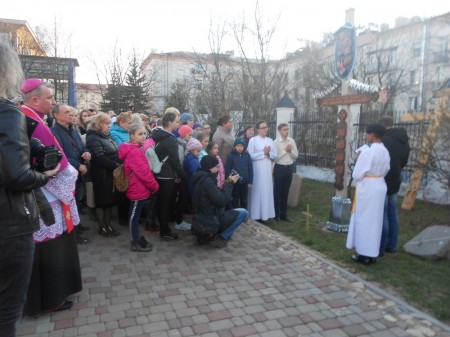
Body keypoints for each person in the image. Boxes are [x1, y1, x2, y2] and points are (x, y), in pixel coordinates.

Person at [0, 41, 55, 337]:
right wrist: (45, 175)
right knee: (7, 310)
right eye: (48, 97)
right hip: (8, 224)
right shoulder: (8, 113)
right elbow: (16, 175)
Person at [20, 78, 82, 316]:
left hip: (42, 189)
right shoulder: (32, 122)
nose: (53, 102)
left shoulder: (30, 118)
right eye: (49, 98)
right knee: (48, 246)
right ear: (34, 100)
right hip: (43, 193)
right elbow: (54, 161)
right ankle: (48, 298)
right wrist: (69, 175)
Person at [346, 124, 390, 265]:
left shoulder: (369, 152)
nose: (367, 136)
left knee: (364, 220)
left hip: (368, 187)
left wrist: (360, 159)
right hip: (380, 185)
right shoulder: (385, 151)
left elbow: (357, 174)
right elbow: (387, 168)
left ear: (372, 135)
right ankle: (372, 254)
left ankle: (364, 254)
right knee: (375, 221)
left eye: (367, 134)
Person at [51, 103, 91, 243]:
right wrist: (77, 165)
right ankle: (73, 233)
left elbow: (81, 146)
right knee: (68, 203)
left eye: (71, 112)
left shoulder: (73, 129)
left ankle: (78, 225)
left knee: (78, 200)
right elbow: (59, 155)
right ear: (56, 115)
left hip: (78, 172)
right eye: (66, 112)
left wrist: (86, 152)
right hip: (66, 173)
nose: (70, 115)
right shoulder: (53, 132)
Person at [192, 155, 249, 248]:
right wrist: (230, 183)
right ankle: (221, 237)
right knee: (244, 213)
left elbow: (215, 196)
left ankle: (207, 235)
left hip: (200, 218)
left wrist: (226, 183)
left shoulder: (200, 177)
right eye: (217, 166)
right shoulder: (208, 181)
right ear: (211, 168)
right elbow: (222, 201)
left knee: (232, 213)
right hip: (211, 219)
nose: (219, 169)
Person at [118, 124, 159, 252]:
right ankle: (135, 242)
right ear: (132, 136)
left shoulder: (136, 148)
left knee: (135, 215)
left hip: (139, 187)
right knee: (133, 217)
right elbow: (143, 173)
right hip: (137, 188)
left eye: (144, 133)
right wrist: (154, 185)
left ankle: (136, 238)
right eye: (140, 134)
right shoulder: (135, 151)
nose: (143, 136)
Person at [379, 115, 410, 256]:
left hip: (384, 179)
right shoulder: (404, 140)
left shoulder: (384, 141)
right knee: (393, 213)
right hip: (396, 178)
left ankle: (382, 245)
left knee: (384, 214)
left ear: (382, 126)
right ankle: (392, 246)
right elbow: (404, 160)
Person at [86, 114, 121, 237]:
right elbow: (98, 158)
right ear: (99, 124)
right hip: (101, 175)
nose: (109, 127)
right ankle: (103, 227)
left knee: (109, 202)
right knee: (101, 202)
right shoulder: (93, 137)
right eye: (107, 124)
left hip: (110, 174)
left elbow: (114, 150)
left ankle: (109, 225)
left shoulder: (106, 136)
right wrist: (116, 165)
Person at [151, 112, 184, 241]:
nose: (178, 124)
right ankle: (164, 231)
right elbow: (176, 161)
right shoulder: (170, 139)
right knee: (164, 204)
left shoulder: (159, 135)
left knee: (160, 203)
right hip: (167, 175)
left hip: (159, 173)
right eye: (177, 121)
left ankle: (163, 228)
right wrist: (182, 175)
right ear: (170, 122)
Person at [248, 121, 277, 222]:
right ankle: (256, 215)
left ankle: (266, 215)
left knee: (267, 190)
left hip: (267, 170)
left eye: (266, 127)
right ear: (258, 129)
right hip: (257, 169)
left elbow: (275, 155)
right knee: (257, 191)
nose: (266, 129)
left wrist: (268, 154)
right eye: (263, 127)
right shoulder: (253, 140)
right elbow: (250, 155)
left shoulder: (270, 140)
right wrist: (262, 153)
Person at [273, 123, 299, 222]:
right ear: (279, 131)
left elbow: (295, 156)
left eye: (287, 129)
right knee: (277, 192)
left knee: (285, 191)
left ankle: (284, 214)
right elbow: (275, 158)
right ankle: (276, 214)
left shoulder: (291, 141)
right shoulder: (276, 142)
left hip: (289, 168)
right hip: (279, 168)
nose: (286, 131)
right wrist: (285, 150)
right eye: (284, 129)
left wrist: (290, 151)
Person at [225, 137, 253, 209]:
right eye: (238, 146)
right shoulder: (231, 156)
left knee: (244, 200)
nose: (239, 148)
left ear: (244, 146)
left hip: (245, 182)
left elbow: (250, 169)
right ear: (235, 146)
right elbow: (228, 169)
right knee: (235, 199)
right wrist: (229, 180)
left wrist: (250, 181)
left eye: (241, 146)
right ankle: (236, 215)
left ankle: (245, 216)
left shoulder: (247, 155)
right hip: (235, 182)